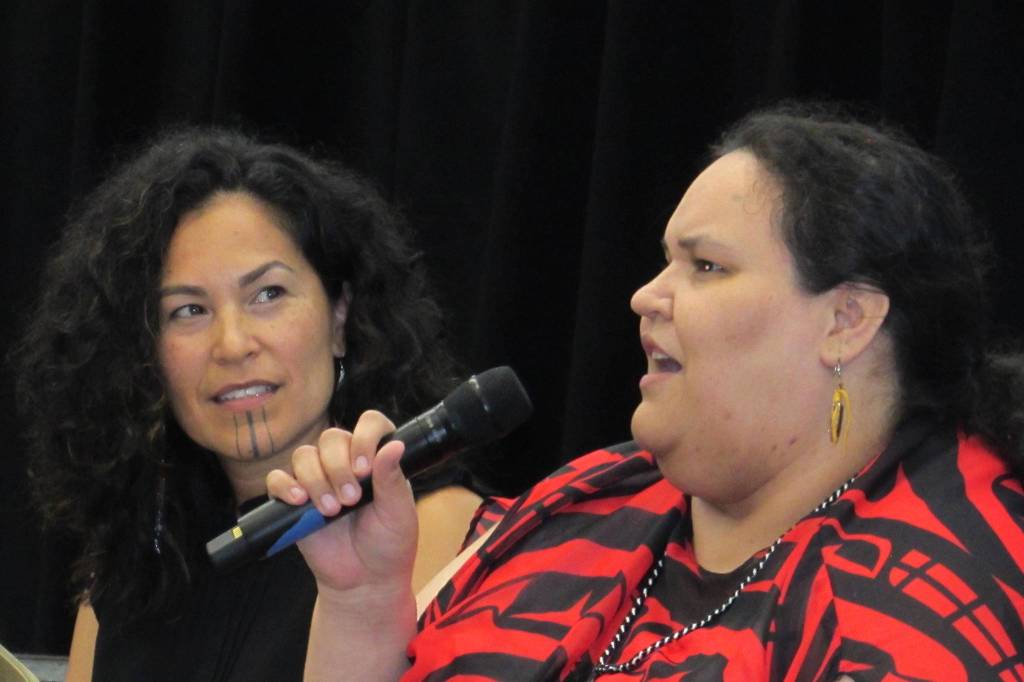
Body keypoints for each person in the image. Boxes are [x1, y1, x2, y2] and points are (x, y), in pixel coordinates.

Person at [267, 102, 1024, 681]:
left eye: (705, 268)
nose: (646, 298)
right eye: (666, 262)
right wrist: (362, 604)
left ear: (846, 320)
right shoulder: (587, 499)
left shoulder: (926, 602)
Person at [13, 128, 486, 681]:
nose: (233, 345)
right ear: (145, 355)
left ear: (339, 317)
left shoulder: (433, 526)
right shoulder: (127, 567)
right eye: (188, 311)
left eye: (268, 295)